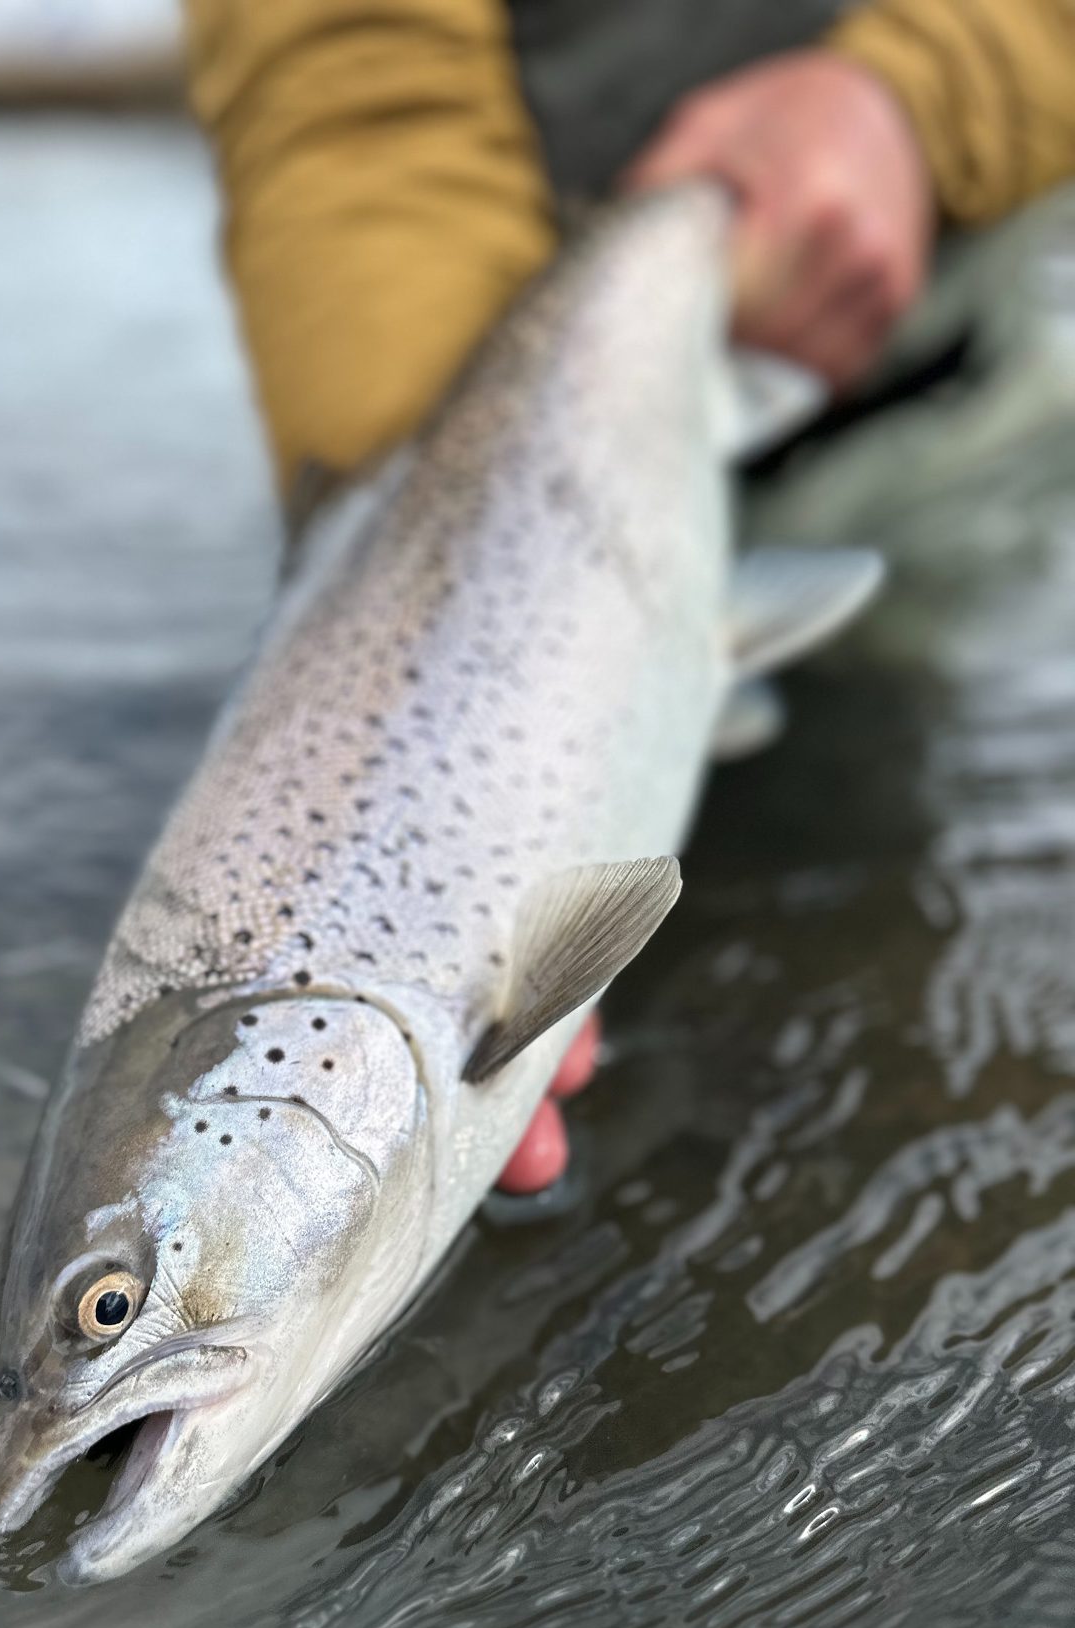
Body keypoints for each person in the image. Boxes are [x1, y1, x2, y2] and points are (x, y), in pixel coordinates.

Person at [182, 0, 1075, 1193]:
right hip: (506, 329)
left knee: (884, 797)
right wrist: (439, 524)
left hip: (938, 308)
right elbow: (355, 70)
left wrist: (928, 93)